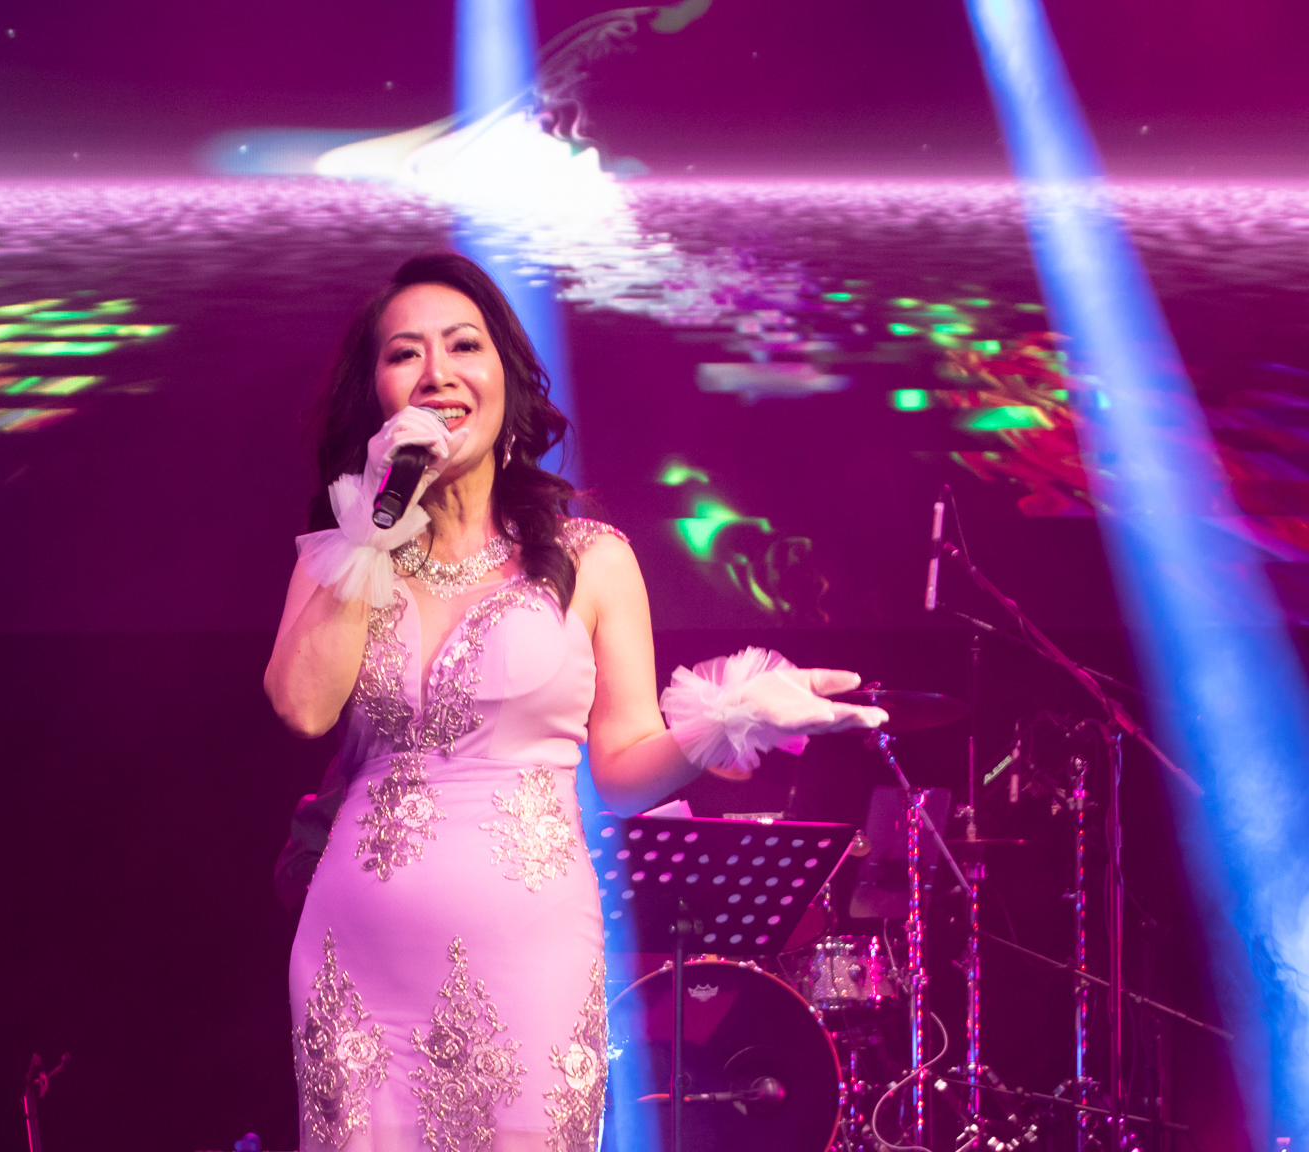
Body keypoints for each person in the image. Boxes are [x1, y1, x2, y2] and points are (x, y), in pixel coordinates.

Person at [264, 252, 886, 1152]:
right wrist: (374, 522)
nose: (436, 372)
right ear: (379, 394)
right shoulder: (342, 555)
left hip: (530, 951)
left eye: (463, 345)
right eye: (405, 354)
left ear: (508, 379)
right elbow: (301, 707)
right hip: (356, 955)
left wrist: (732, 718)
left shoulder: (592, 556)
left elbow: (624, 767)